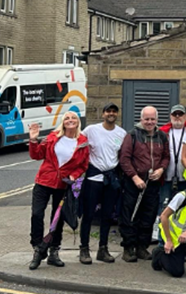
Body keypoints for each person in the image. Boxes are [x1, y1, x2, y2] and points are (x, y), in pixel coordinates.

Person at [27, 112, 90, 270]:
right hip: (44, 181)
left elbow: (84, 165)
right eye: (67, 118)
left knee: (57, 220)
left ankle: (53, 252)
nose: (70, 121)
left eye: (73, 118)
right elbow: (37, 155)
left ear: (77, 122)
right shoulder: (53, 137)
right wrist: (34, 140)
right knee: (37, 214)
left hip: (63, 185)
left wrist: (74, 175)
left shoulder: (82, 142)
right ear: (63, 122)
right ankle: (38, 248)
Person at [120, 106, 171, 263]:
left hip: (153, 183)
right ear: (141, 119)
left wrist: (161, 169)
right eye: (146, 119)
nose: (150, 122)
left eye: (152, 119)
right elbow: (124, 158)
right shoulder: (132, 135)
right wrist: (134, 177)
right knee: (131, 215)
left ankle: (142, 247)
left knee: (148, 216)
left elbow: (166, 156)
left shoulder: (162, 136)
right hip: (134, 182)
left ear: (157, 119)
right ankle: (128, 248)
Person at [79, 103, 127, 264]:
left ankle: (103, 249)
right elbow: (77, 144)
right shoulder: (91, 130)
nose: (111, 114)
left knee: (107, 216)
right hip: (93, 178)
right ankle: (84, 249)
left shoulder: (122, 133)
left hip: (111, 179)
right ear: (103, 114)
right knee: (89, 215)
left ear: (117, 114)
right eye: (108, 111)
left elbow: (123, 156)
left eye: (114, 111)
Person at [157, 104, 186, 240]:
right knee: (164, 206)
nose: (178, 117)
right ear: (170, 116)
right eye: (175, 114)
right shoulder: (162, 132)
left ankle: (182, 237)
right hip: (166, 176)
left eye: (180, 114)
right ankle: (161, 237)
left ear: (185, 116)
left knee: (185, 208)